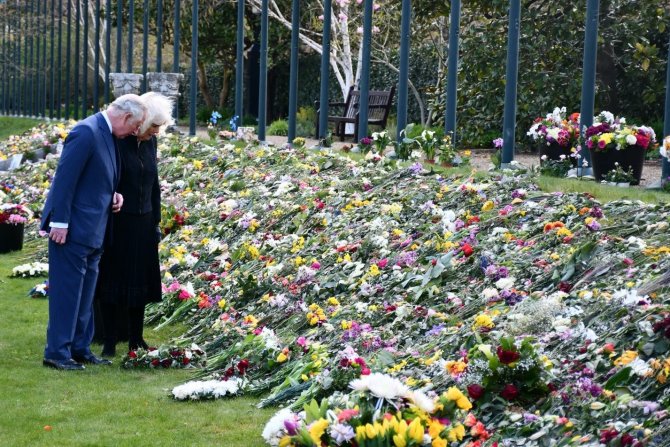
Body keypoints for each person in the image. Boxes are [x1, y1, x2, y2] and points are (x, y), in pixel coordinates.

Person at [41, 94, 147, 371]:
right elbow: (65, 180)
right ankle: (57, 353)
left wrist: (114, 195)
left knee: (85, 294)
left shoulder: (108, 134)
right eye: (134, 126)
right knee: (67, 293)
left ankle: (79, 347)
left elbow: (96, 177)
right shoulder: (86, 132)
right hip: (73, 229)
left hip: (94, 229)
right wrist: (59, 223)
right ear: (125, 117)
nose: (134, 132)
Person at [95, 92, 174, 357]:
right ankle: (108, 341)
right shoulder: (119, 142)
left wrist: (157, 222)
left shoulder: (150, 144)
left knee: (140, 281)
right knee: (112, 279)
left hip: (144, 221)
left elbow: (154, 184)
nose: (157, 132)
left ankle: (135, 338)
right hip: (119, 221)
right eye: (154, 126)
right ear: (141, 122)